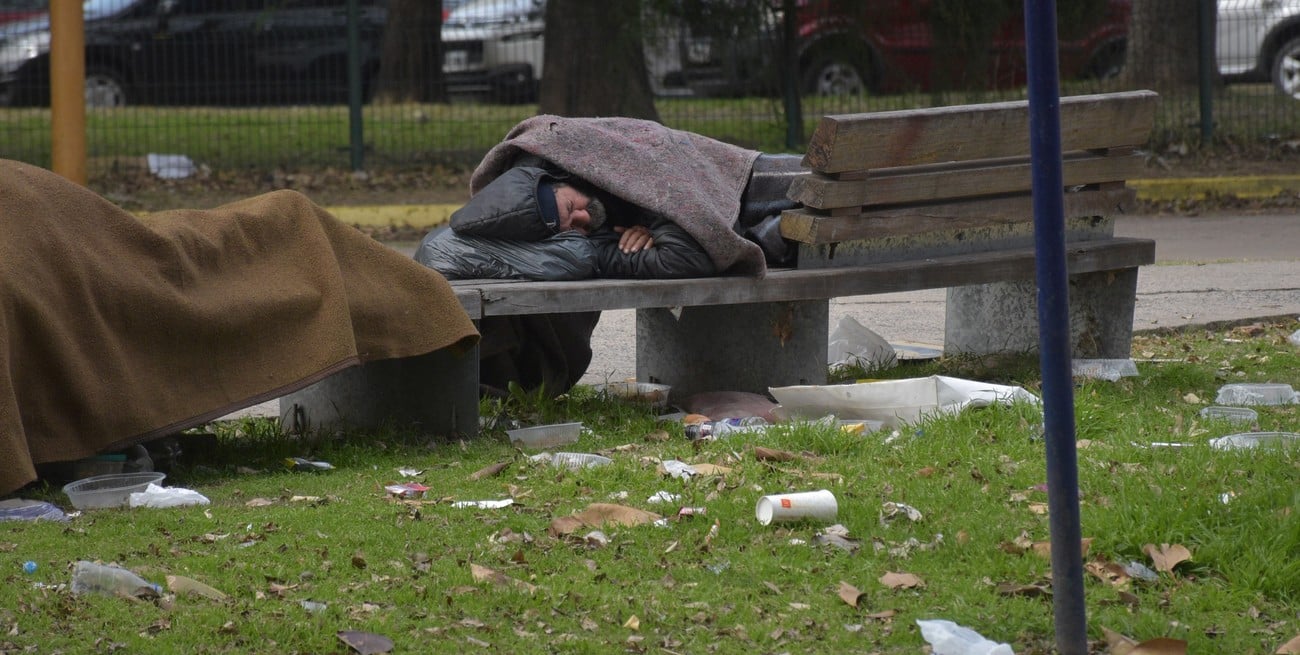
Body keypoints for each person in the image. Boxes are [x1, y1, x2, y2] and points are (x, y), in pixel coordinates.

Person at [415, 115, 805, 399]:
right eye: (574, 228)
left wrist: (658, 211)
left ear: (562, 179)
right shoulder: (588, 245)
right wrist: (660, 223)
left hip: (723, 171)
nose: (585, 217)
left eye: (573, 206)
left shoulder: (568, 151)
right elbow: (687, 257)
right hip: (724, 211)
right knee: (791, 226)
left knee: (812, 180)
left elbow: (657, 168)